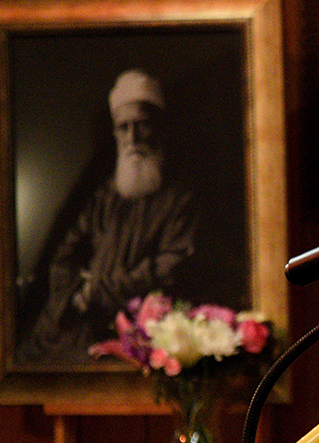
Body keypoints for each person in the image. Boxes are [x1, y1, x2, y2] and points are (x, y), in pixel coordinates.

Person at [19, 69, 200, 364]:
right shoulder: (103, 197)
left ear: (159, 127)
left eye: (142, 125)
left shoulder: (180, 200)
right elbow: (64, 255)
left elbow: (169, 268)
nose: (132, 138)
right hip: (73, 320)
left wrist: (96, 291)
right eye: (123, 127)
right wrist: (76, 294)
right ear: (115, 133)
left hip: (129, 333)